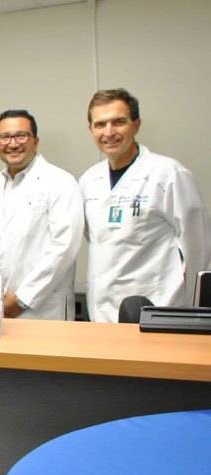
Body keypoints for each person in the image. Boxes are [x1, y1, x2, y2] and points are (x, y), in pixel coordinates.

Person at [80, 88, 211, 322]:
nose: (108, 132)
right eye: (100, 125)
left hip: (159, 307)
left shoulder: (169, 174)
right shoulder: (89, 180)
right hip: (102, 312)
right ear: (90, 130)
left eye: (118, 122)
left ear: (136, 125)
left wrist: (190, 313)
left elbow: (197, 248)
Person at [0, 109, 84, 320]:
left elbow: (64, 247)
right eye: (5, 137)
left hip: (44, 309)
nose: (13, 143)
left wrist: (21, 299)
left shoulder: (60, 182)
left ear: (36, 141)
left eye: (21, 135)